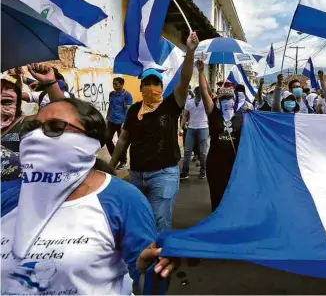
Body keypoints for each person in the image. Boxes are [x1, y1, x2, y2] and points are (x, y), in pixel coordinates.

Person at [0, 98, 177, 294]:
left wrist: (149, 271)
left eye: (55, 127)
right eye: (31, 127)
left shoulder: (123, 200)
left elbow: (148, 284)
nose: (36, 136)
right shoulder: (6, 195)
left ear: (89, 140)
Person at [109, 32, 199, 232]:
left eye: (155, 83)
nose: (151, 87)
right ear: (141, 87)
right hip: (136, 175)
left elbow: (184, 80)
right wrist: (111, 166)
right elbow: (123, 139)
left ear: (162, 86)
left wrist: (190, 52)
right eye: (146, 83)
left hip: (163, 174)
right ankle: (142, 258)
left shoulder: (171, 105)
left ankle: (159, 259)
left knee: (159, 222)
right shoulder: (134, 110)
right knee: (138, 220)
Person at [196, 58, 244, 212]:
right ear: (218, 100)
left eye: (229, 98)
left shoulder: (242, 117)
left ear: (234, 100)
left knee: (233, 198)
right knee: (217, 197)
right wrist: (201, 71)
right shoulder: (213, 114)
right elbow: (204, 93)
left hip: (235, 164)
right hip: (215, 163)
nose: (226, 101)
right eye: (223, 98)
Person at [1, 64, 65, 153]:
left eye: (6, 102)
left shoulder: (27, 124)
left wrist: (50, 83)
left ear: (17, 104)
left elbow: (62, 115)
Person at [180, 87, 209, 180]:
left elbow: (210, 114)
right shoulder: (189, 103)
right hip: (191, 128)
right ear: (195, 92)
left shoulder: (206, 102)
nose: (198, 93)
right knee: (187, 151)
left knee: (203, 152)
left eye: (200, 92)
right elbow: (185, 115)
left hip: (203, 128)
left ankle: (203, 171)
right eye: (197, 92)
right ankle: (185, 172)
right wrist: (181, 127)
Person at [106, 77, 133, 171]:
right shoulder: (111, 94)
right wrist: (107, 117)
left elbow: (128, 110)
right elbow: (110, 106)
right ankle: (115, 157)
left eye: (116, 84)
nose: (114, 86)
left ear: (122, 84)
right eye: (113, 83)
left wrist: (125, 122)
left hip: (122, 122)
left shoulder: (127, 95)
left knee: (122, 142)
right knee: (107, 138)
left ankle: (123, 161)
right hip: (111, 121)